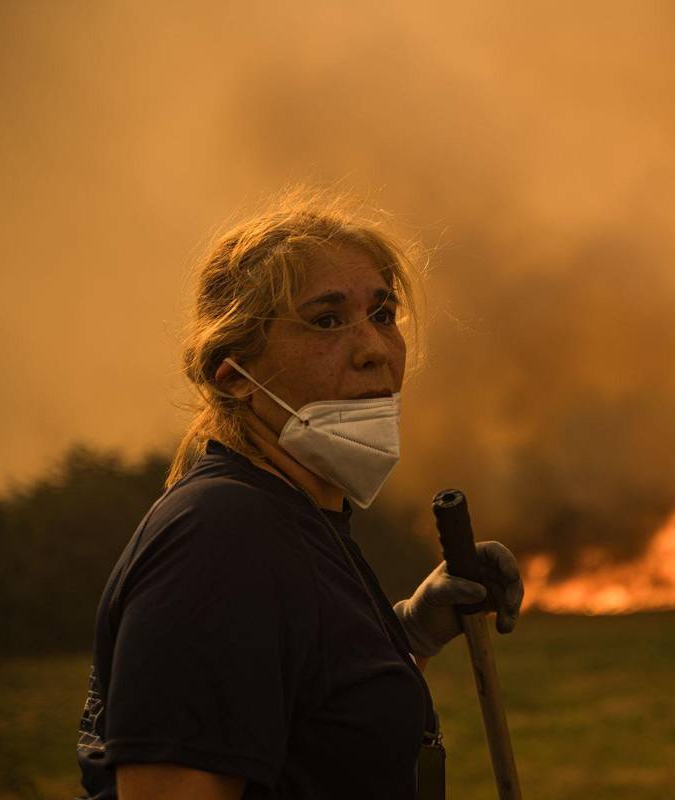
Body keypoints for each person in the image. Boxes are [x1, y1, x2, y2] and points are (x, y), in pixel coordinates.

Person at [75, 190, 523, 799]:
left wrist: (410, 633)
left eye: (383, 313)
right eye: (326, 320)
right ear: (235, 377)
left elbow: (308, 719)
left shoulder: (295, 519)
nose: (374, 350)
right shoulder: (220, 539)